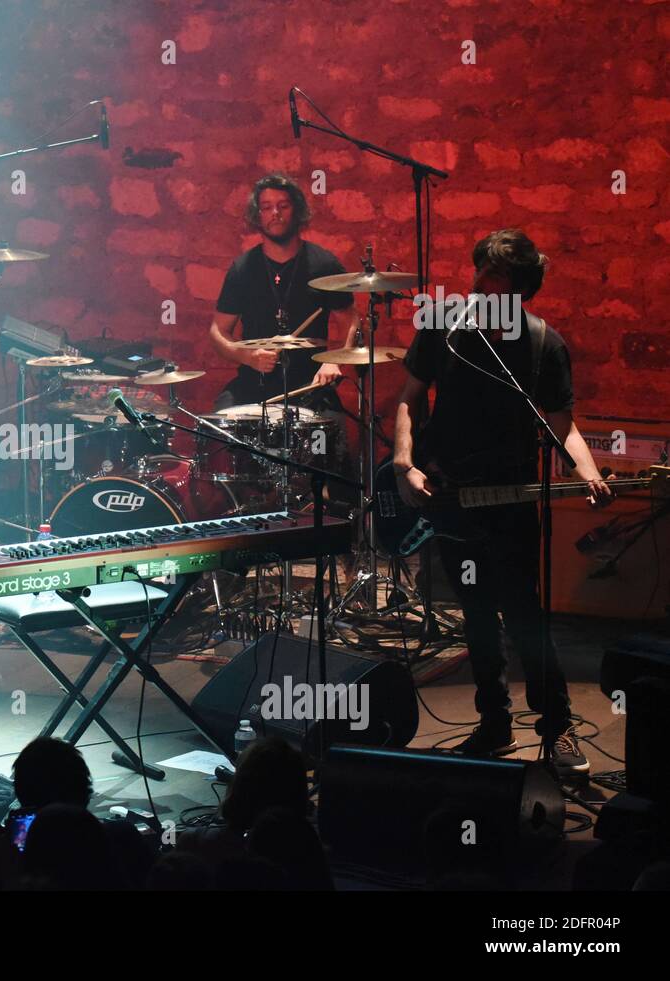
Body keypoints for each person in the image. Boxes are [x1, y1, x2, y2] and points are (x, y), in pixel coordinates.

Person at [393, 229, 613, 772]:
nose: (479, 282)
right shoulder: (442, 327)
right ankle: (493, 728)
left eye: (494, 277)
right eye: (479, 271)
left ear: (519, 289)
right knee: (475, 615)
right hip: (452, 494)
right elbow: (407, 400)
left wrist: (587, 471)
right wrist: (404, 463)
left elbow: (564, 426)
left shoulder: (543, 345)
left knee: (523, 615)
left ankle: (557, 728)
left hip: (513, 498)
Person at [207, 173, 359, 411]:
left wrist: (333, 361)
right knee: (220, 423)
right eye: (267, 207)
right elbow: (219, 331)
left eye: (283, 206)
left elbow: (350, 320)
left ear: (296, 211)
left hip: (310, 384)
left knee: (331, 434)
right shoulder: (243, 269)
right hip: (254, 383)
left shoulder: (324, 265)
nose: (275, 213)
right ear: (258, 215)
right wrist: (248, 357)